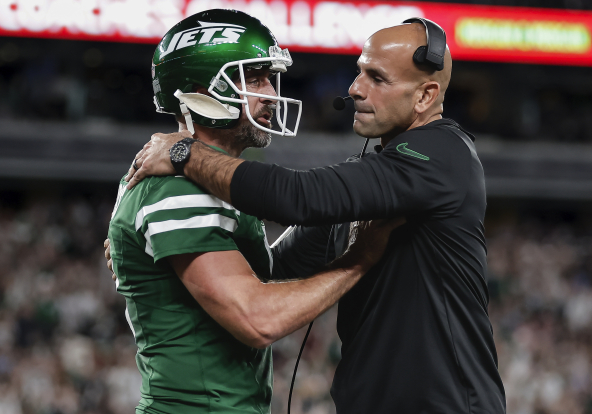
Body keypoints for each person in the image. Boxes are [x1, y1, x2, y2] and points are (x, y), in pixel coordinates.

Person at [123, 20, 507, 414]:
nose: (355, 88)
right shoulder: (378, 182)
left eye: (376, 77)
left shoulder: (443, 156)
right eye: (360, 72)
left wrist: (185, 153)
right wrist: (140, 251)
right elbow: (271, 266)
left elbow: (298, 198)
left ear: (426, 95)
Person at [106, 9, 402, 414]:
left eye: (270, 78)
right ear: (199, 88)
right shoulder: (177, 187)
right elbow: (256, 319)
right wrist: (359, 259)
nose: (271, 94)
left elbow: (263, 269)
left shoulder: (202, 178)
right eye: (254, 78)